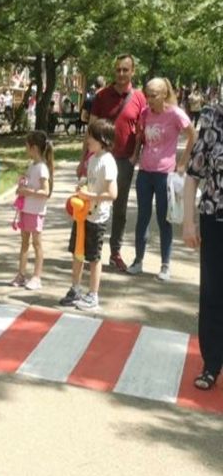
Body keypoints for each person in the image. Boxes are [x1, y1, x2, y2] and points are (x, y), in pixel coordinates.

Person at [126, 78, 196, 281]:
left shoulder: (175, 113)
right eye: (147, 95)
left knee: (164, 219)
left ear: (164, 94)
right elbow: (140, 136)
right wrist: (134, 154)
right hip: (145, 172)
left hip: (165, 174)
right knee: (143, 217)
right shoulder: (145, 113)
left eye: (153, 95)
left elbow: (192, 135)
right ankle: (138, 260)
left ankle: (165, 265)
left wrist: (182, 162)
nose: (149, 99)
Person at [88, 54, 148, 272]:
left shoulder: (140, 97)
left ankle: (115, 252)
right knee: (92, 204)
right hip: (99, 158)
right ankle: (91, 250)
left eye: (125, 70)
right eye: (118, 70)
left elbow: (141, 131)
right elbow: (91, 127)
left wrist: (135, 155)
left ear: (132, 72)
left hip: (124, 160)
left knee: (119, 208)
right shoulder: (102, 95)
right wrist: (83, 158)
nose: (121, 74)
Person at [182, 103, 223, 391]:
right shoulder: (212, 118)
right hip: (215, 219)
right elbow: (193, 176)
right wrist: (188, 222)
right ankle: (211, 364)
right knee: (213, 293)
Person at [59, 119, 118, 312]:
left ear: (102, 140)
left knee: (93, 257)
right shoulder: (92, 159)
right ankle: (75, 289)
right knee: (77, 253)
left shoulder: (108, 161)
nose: (87, 140)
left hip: (97, 217)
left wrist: (89, 195)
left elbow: (112, 194)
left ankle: (93, 295)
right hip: (82, 214)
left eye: (91, 137)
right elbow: (91, 181)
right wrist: (82, 185)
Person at [10, 131, 54, 290]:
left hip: (36, 211)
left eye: (27, 146)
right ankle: (21, 274)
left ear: (34, 148)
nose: (26, 149)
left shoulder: (42, 168)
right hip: (26, 209)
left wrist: (27, 192)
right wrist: (22, 186)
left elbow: (45, 192)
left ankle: (37, 276)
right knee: (24, 242)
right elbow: (30, 184)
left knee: (36, 243)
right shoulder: (32, 165)